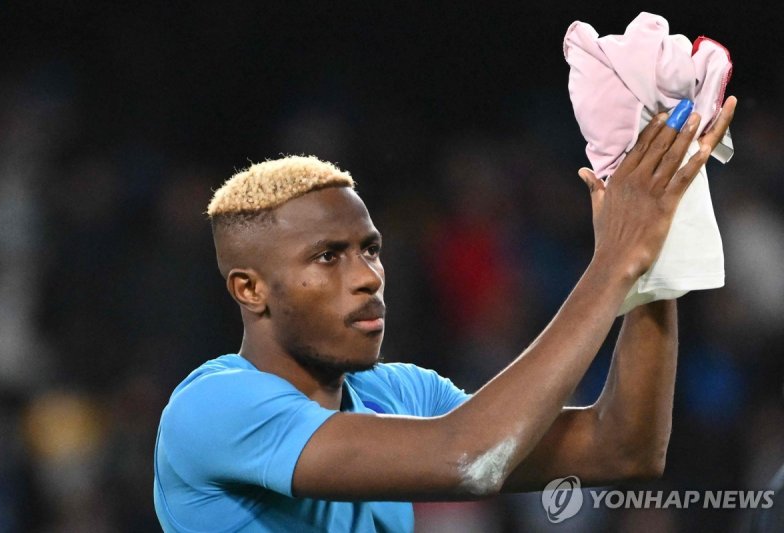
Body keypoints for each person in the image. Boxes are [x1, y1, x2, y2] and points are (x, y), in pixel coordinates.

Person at [153, 97, 737, 532]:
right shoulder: (212, 407)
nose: (366, 275)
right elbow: (469, 460)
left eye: (370, 249)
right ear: (250, 289)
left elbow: (622, 449)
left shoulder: (402, 394)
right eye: (328, 256)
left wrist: (658, 247)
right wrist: (612, 262)